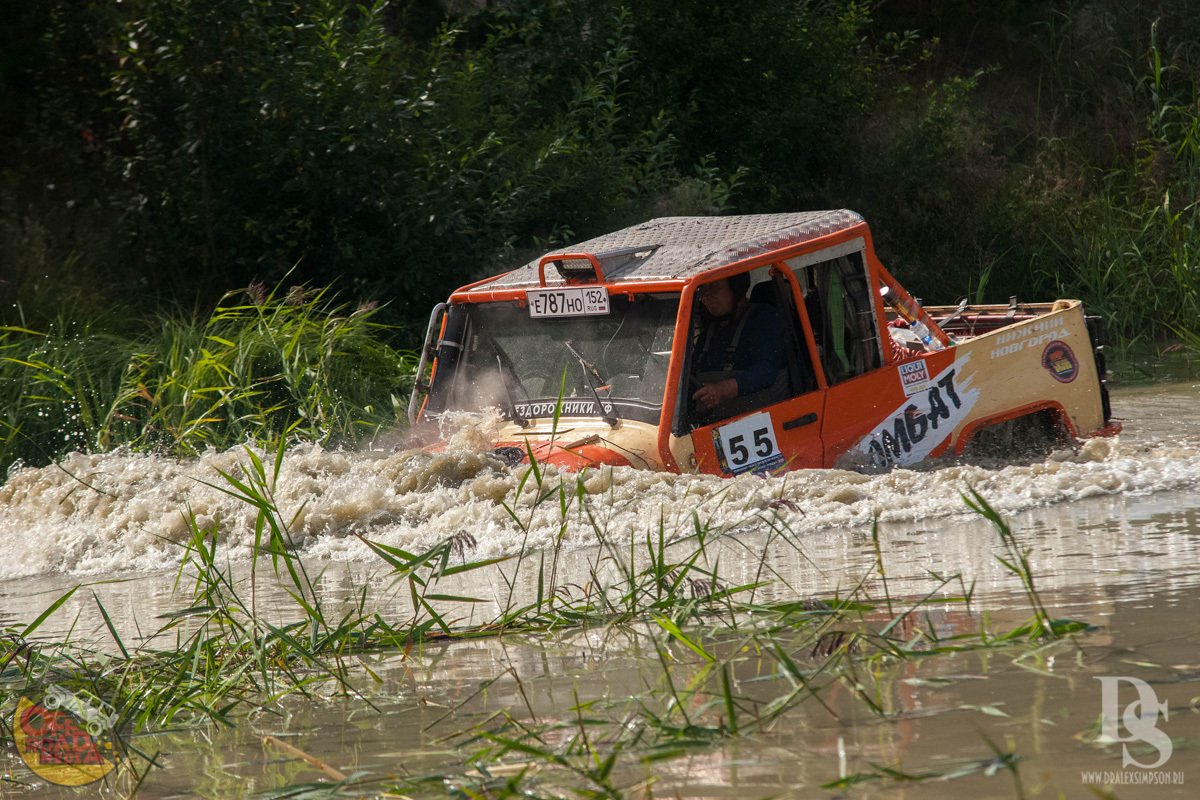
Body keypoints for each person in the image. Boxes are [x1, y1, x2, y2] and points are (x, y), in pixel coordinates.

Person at [690, 274, 787, 420]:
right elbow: (688, 378)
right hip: (718, 427)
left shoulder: (763, 318)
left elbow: (766, 370)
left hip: (769, 422)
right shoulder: (707, 336)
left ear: (737, 287)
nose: (706, 295)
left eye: (714, 286)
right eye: (702, 289)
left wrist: (722, 389)